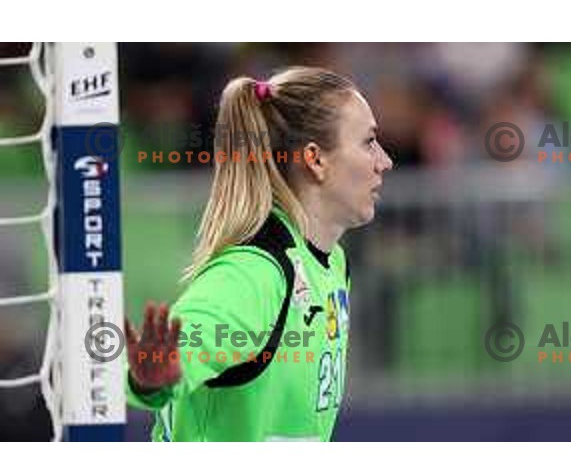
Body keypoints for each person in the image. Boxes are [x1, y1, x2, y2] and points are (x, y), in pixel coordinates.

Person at [125, 66, 392, 441]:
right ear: (315, 159)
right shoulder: (252, 273)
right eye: (368, 142)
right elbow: (179, 351)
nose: (385, 161)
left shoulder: (332, 262)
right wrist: (151, 377)